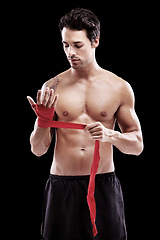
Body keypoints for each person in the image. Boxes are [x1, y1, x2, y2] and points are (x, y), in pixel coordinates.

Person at [27, 8, 143, 240]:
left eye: (77, 45)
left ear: (95, 41)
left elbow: (137, 145)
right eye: (65, 45)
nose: (70, 52)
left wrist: (111, 136)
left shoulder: (119, 87)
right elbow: (38, 150)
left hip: (103, 184)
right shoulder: (52, 87)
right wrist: (43, 120)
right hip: (61, 185)